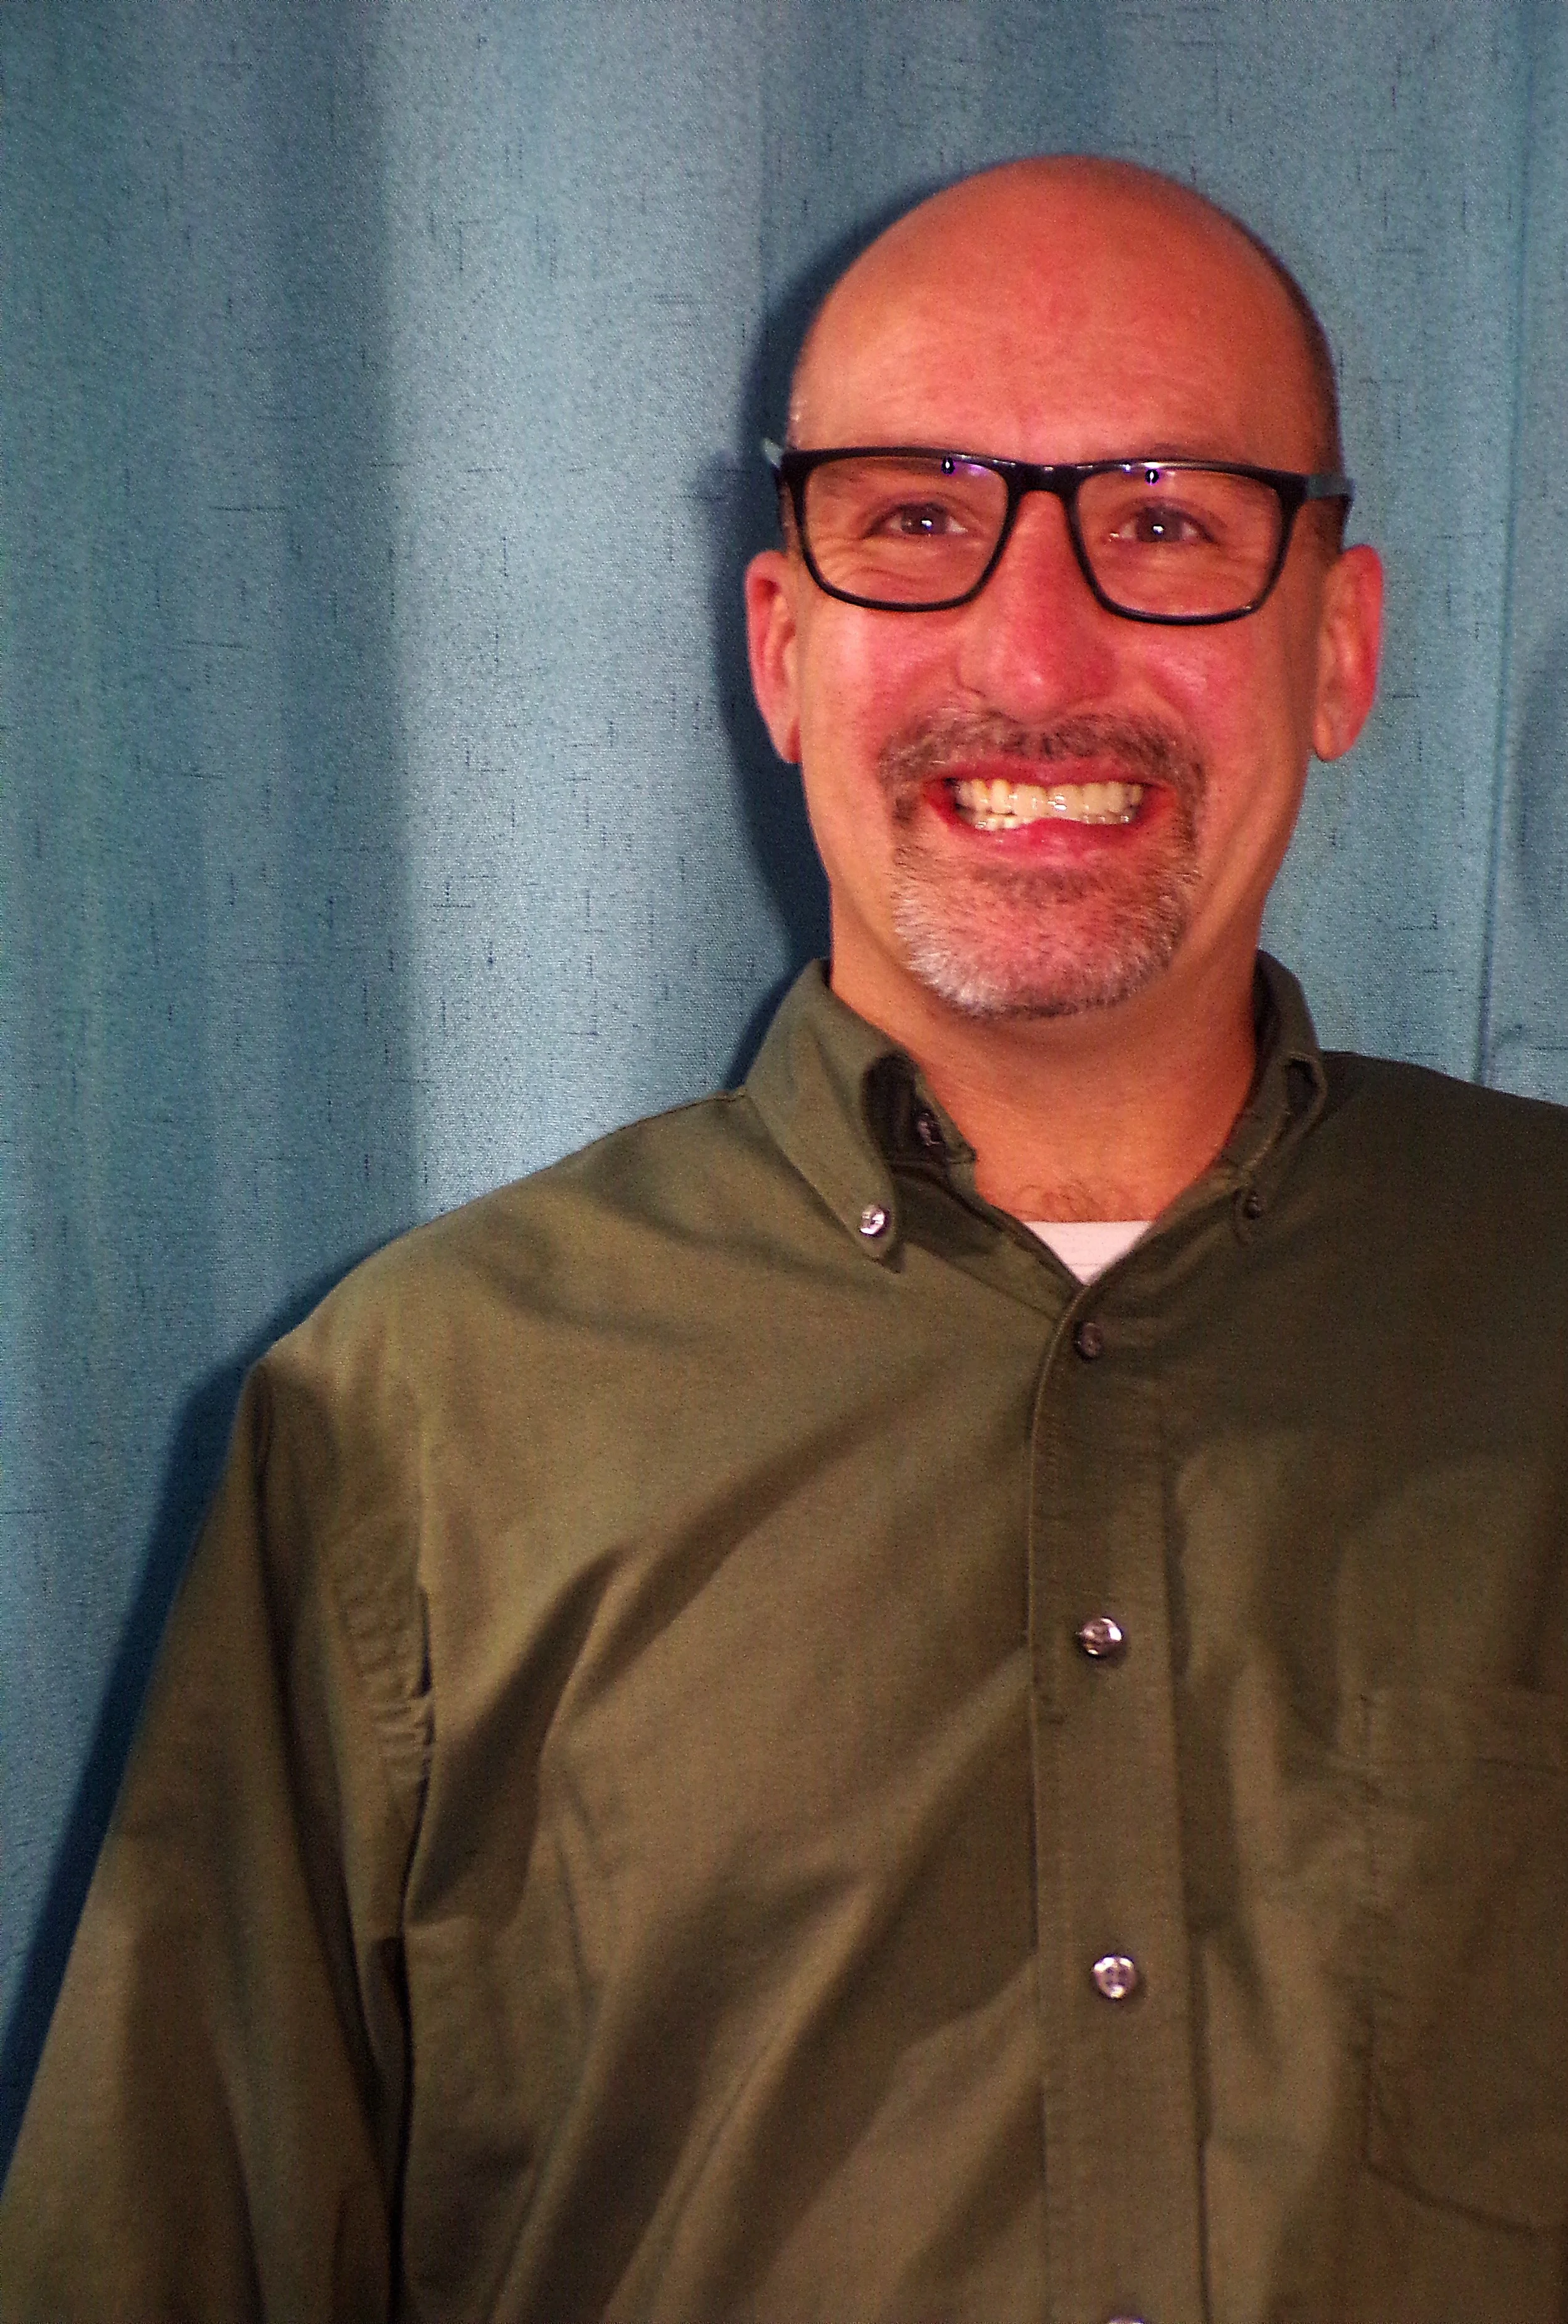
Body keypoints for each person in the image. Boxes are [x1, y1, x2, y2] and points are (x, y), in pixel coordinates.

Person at [3, 154, 1565, 2324]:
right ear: (780, 647)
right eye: (916, 520)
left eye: (1170, 524)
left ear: (1340, 647)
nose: (1036, 651)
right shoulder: (407, 1428)